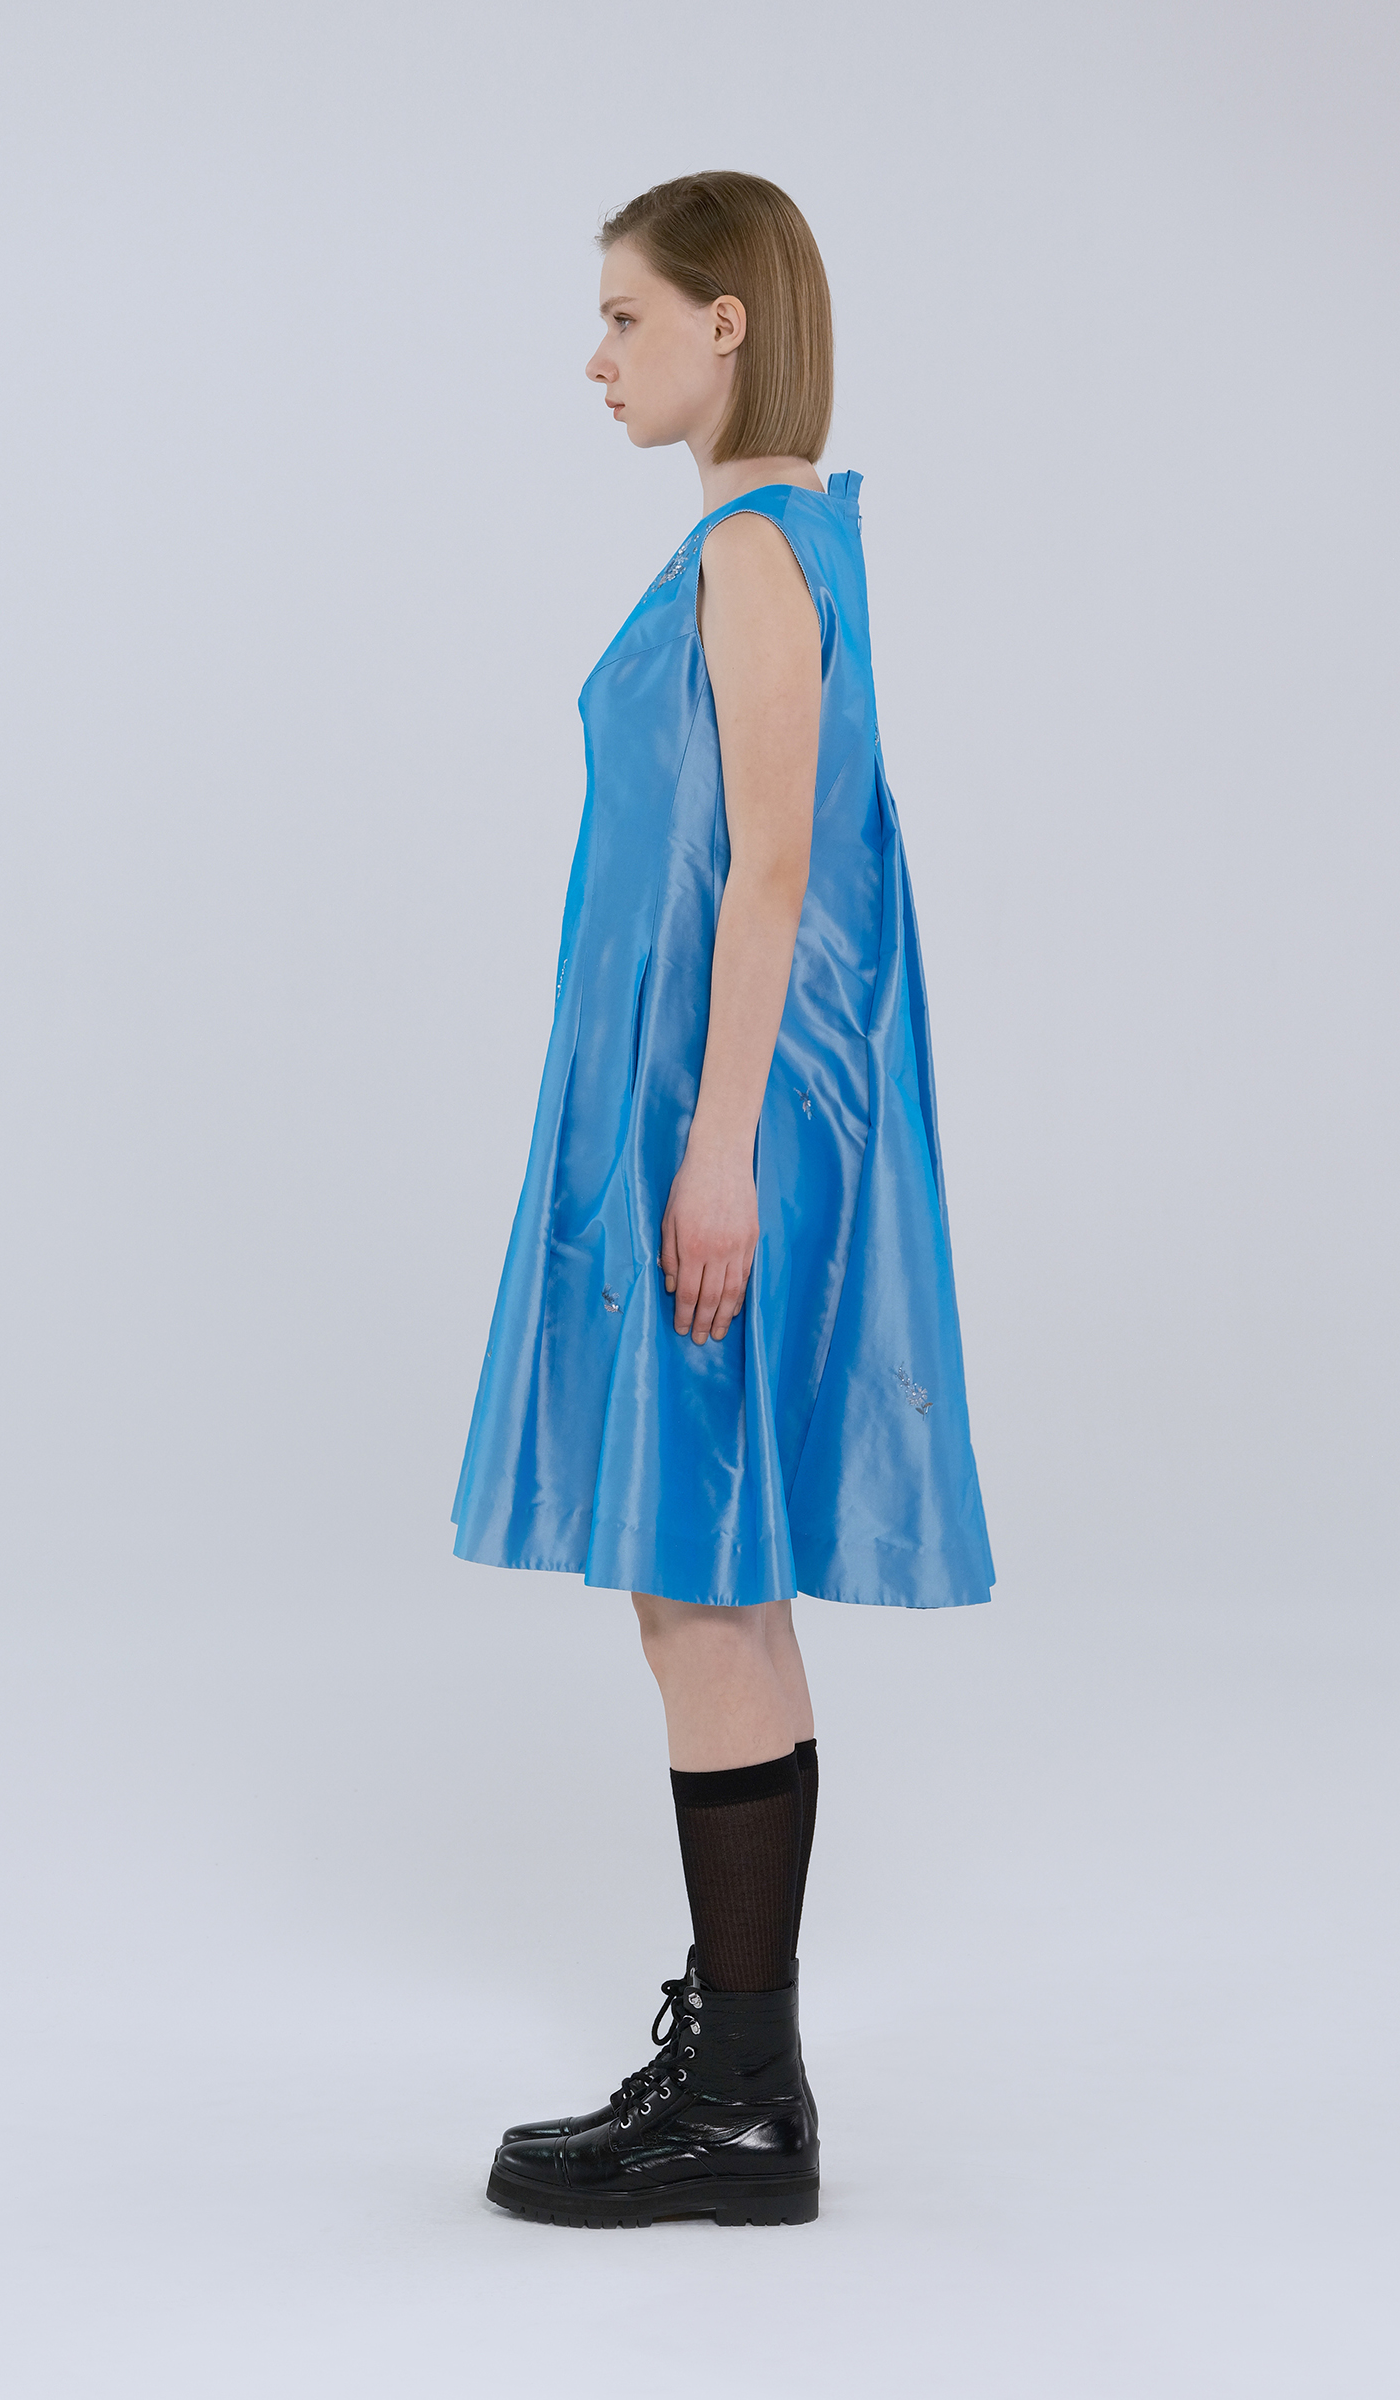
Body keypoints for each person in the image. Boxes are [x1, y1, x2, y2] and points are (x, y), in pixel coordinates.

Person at [453, 171, 993, 2229]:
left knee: (698, 1575)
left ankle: (745, 2100)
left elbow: (772, 867)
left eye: (624, 316)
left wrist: (716, 1147)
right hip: (703, 1107)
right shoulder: (772, 543)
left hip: (727, 1117)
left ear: (726, 323)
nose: (597, 359)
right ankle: (743, 2072)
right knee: (713, 1577)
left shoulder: (760, 552)